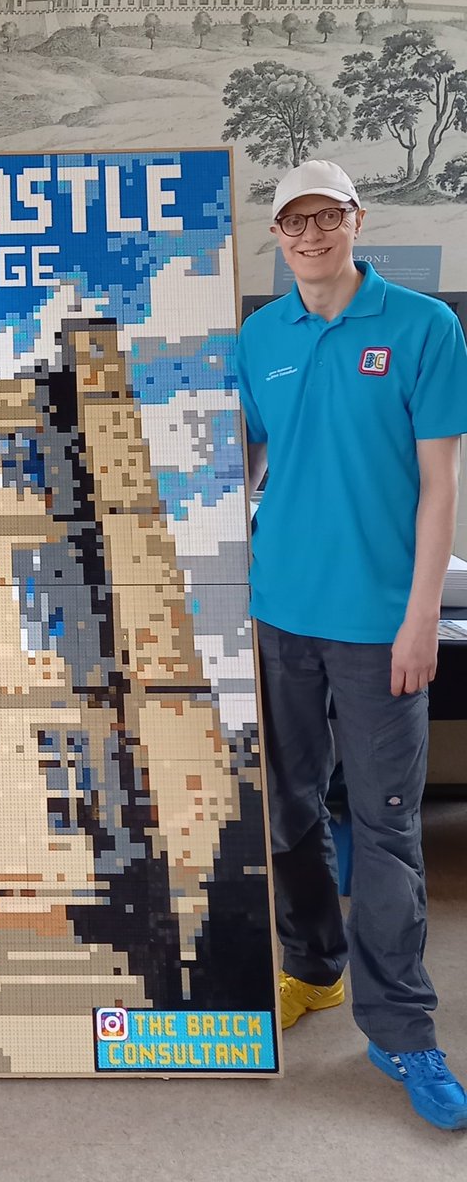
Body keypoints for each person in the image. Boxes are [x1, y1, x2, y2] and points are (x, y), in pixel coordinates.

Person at [236, 159, 467, 1131]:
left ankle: (404, 1030)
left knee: (385, 833)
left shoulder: (424, 329)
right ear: (279, 237)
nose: (313, 235)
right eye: (296, 222)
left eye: (327, 217)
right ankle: (316, 971)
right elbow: (239, 464)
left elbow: (439, 487)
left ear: (355, 221)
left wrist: (419, 618)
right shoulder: (260, 337)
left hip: (379, 626)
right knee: (286, 810)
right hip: (280, 611)